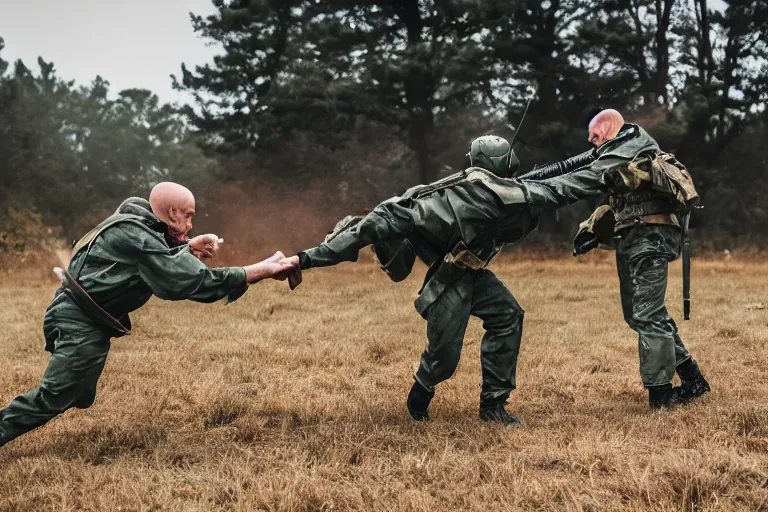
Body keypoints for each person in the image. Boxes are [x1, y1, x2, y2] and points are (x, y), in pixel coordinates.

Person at [0, 182, 300, 447]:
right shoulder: (136, 236)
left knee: (80, 394)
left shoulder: (134, 226)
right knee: (52, 397)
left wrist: (184, 246)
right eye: (189, 215)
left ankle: (74, 384)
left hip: (75, 317)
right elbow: (195, 282)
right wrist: (260, 269)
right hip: (79, 322)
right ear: (172, 213)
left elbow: (156, 250)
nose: (192, 223)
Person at [286, 135, 544, 425]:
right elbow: (371, 229)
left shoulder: (503, 195)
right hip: (448, 276)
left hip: (475, 274)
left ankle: (493, 405)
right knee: (443, 359)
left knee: (508, 315)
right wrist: (304, 259)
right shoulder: (441, 196)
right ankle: (422, 389)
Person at [519, 109, 710, 409]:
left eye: (595, 136)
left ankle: (661, 396)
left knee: (648, 314)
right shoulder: (619, 154)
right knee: (639, 314)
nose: (591, 143)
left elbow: (586, 179)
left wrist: (533, 191)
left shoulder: (630, 142)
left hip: (651, 236)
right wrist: (591, 229)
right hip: (633, 237)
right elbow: (615, 196)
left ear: (608, 128)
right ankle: (692, 377)